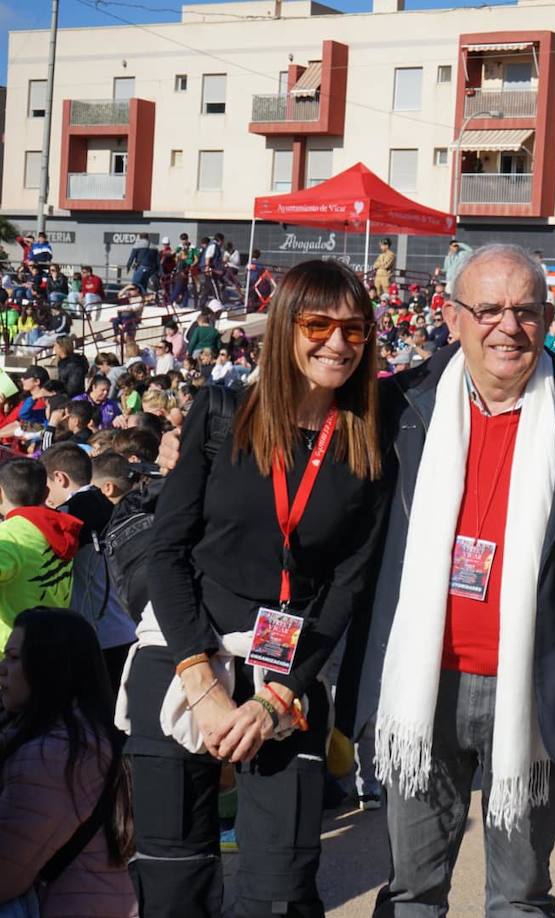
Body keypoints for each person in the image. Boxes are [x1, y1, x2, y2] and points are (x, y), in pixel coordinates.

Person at [336, 244, 555, 917]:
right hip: (422, 688)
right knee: (412, 892)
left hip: (539, 689)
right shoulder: (397, 409)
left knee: (520, 896)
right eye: (489, 310)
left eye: (526, 311)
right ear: (452, 319)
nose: (508, 327)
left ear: (546, 319)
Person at [125, 260, 390, 918]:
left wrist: (278, 698)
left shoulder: (368, 445)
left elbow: (344, 588)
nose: (338, 343)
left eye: (355, 330)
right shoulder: (221, 415)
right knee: (171, 882)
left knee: (279, 892)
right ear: (284, 328)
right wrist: (203, 686)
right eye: (318, 324)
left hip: (286, 675)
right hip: (182, 654)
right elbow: (169, 550)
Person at [0, 607, 138, 918]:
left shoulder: (52, 754)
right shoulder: (87, 734)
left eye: (13, 658)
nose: (2, 669)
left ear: (48, 668)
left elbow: (6, 873)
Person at [40, 443, 137, 691]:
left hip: (94, 636)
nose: (46, 495)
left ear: (60, 478)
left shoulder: (68, 516)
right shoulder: (117, 508)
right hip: (129, 629)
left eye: (47, 486)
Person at [0, 459, 82, 647]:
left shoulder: (9, 535)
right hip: (52, 642)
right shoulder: (59, 528)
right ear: (46, 493)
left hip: (11, 653)